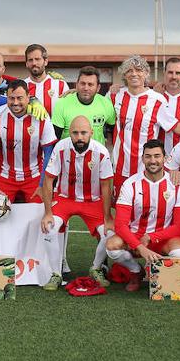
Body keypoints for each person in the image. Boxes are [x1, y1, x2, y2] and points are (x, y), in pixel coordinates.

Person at [104, 140, 180, 291]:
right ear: (143, 159)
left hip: (163, 237)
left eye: (157, 156)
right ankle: (136, 271)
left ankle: (159, 273)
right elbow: (120, 225)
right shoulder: (130, 184)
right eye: (148, 156)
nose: (153, 161)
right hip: (135, 235)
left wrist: (152, 237)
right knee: (112, 247)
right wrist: (139, 246)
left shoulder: (177, 184)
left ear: (165, 158)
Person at [40, 115, 115, 287]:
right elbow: (49, 180)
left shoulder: (101, 152)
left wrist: (107, 216)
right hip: (65, 198)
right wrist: (47, 213)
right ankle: (55, 274)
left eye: (83, 133)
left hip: (92, 201)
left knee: (109, 233)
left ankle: (96, 268)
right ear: (69, 134)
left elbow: (106, 186)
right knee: (48, 227)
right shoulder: (60, 147)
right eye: (75, 133)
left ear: (91, 132)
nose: (79, 137)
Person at [0, 80, 57, 205]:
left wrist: (42, 185)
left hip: (34, 176)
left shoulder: (41, 117)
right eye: (11, 98)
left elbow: (48, 154)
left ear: (29, 97)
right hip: (5, 175)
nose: (15, 102)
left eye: (20, 98)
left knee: (41, 213)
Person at [111, 55, 167, 190]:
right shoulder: (116, 95)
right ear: (124, 74)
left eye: (138, 70)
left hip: (147, 166)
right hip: (120, 165)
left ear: (146, 73)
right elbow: (94, 102)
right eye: (129, 71)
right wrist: (73, 91)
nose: (134, 74)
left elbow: (175, 127)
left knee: (146, 206)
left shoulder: (158, 100)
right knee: (121, 207)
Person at [51, 66, 116, 145]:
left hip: (96, 156)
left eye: (90, 84)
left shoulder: (106, 103)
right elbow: (54, 138)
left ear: (98, 88)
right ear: (77, 85)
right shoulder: (62, 103)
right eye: (82, 83)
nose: (86, 88)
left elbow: (113, 129)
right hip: (69, 155)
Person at [154, 57, 180, 152]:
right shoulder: (154, 98)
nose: (174, 77)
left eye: (178, 73)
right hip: (157, 158)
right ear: (164, 74)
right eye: (170, 72)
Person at [22, 44, 69, 116]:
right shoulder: (22, 86)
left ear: (46, 61)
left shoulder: (60, 85)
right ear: (26, 64)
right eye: (30, 60)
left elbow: (67, 112)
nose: (34, 63)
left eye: (37, 59)